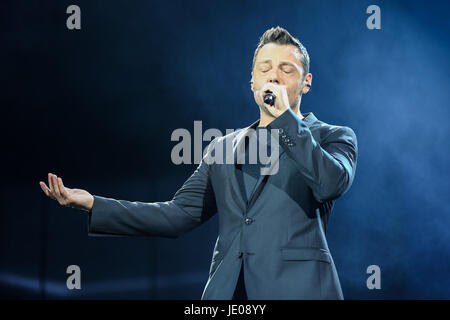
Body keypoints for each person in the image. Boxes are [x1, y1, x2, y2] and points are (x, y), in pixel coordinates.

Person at [39, 26, 358, 299]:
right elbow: (177, 215)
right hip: (228, 293)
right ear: (252, 82)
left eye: (286, 69)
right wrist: (94, 204)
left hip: (298, 290)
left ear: (306, 82)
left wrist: (286, 120)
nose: (273, 75)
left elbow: (329, 183)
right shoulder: (223, 147)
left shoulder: (333, 137)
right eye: (264, 68)